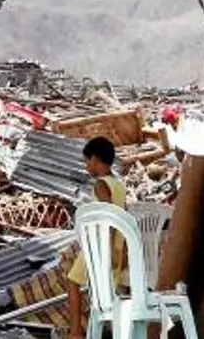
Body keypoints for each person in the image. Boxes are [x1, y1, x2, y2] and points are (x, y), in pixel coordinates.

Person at [64, 137, 132, 333]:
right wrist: (124, 252)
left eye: (86, 161)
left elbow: (109, 214)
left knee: (73, 281)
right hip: (118, 245)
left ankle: (75, 331)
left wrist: (108, 246)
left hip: (100, 246)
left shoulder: (100, 185)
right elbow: (125, 216)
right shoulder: (118, 184)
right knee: (104, 292)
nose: (86, 166)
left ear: (95, 159)